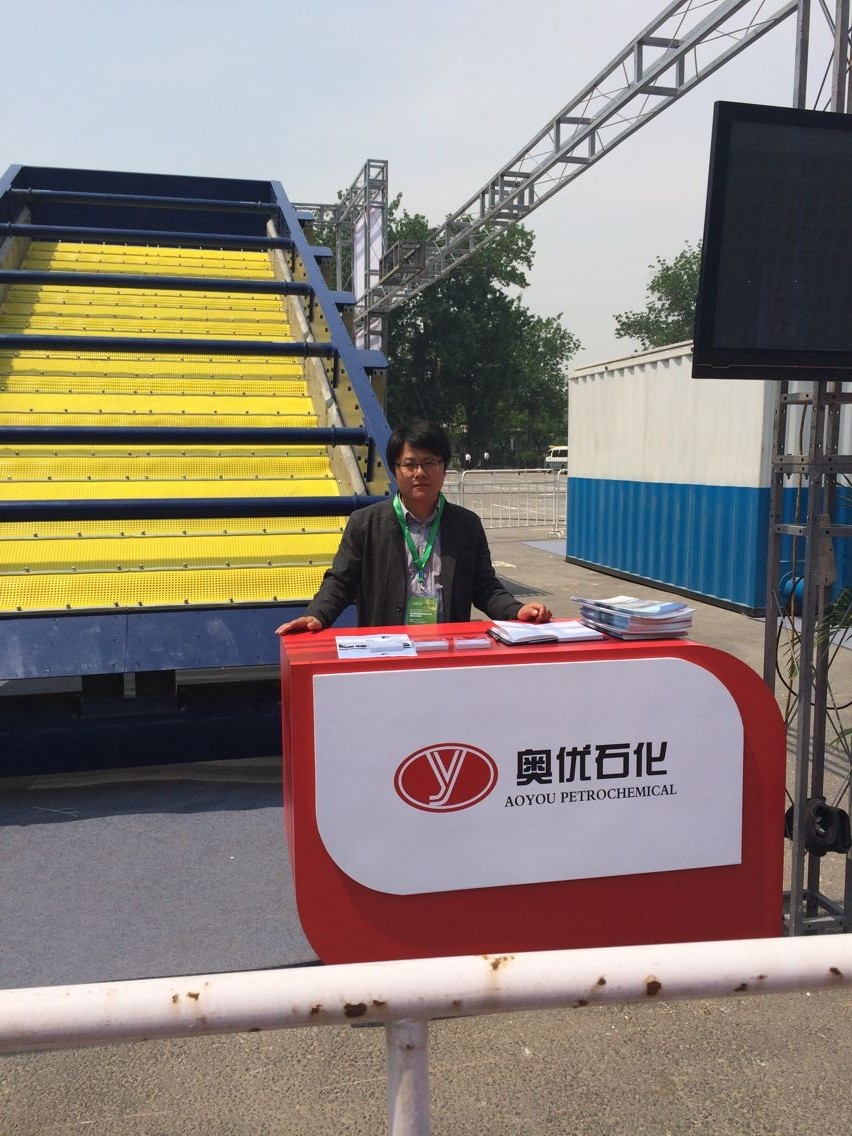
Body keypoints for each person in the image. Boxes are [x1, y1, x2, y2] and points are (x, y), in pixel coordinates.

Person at [276, 420, 552, 634]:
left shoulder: (467, 525)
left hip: (447, 650)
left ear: (444, 468)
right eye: (410, 464)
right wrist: (317, 615)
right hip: (387, 651)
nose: (420, 472)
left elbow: (485, 587)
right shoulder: (366, 524)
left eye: (430, 462)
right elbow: (340, 581)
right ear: (396, 470)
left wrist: (516, 610)